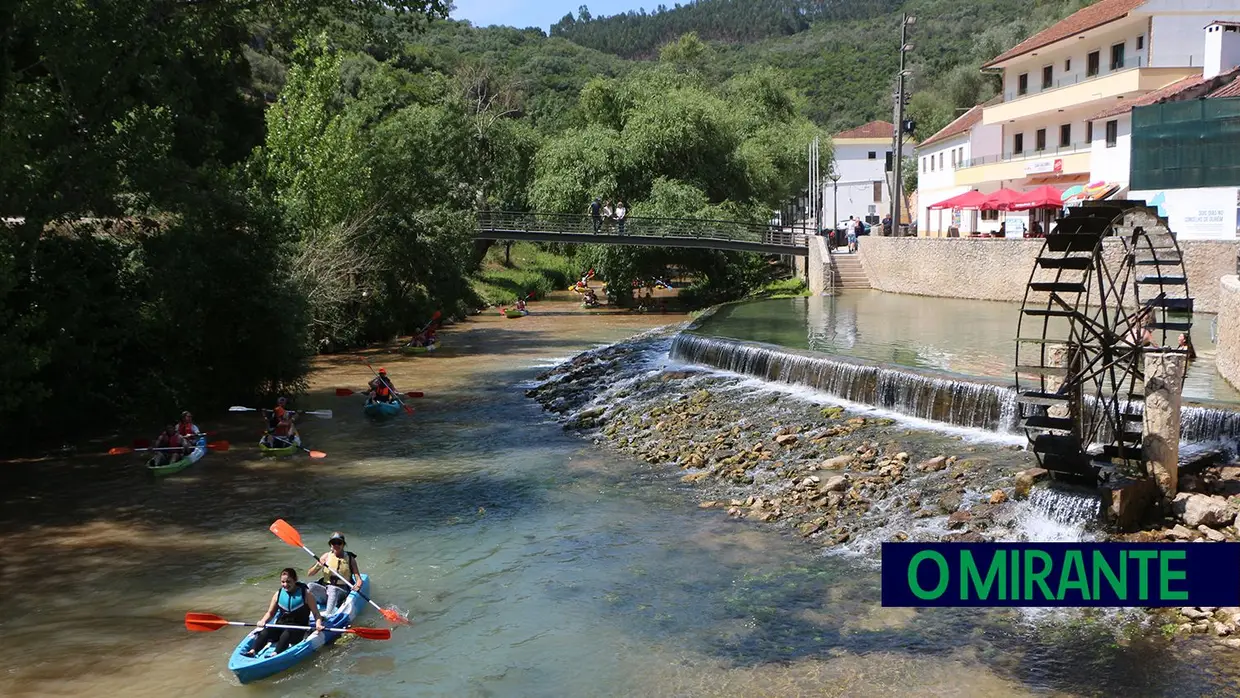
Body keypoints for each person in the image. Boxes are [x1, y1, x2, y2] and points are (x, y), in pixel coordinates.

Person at [240, 568, 325, 658]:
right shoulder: (278, 594)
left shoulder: (306, 594)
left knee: (287, 633)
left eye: (288, 582)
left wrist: (318, 625)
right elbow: (270, 613)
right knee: (265, 631)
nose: (285, 585)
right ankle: (253, 651)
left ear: (295, 580)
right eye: (283, 582)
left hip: (298, 627)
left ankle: (275, 654)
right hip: (281, 625)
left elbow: (316, 613)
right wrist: (263, 621)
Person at [307, 532, 363, 615]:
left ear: (343, 545)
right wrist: (318, 565)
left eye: (339, 543)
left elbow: (358, 579)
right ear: (330, 545)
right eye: (334, 543)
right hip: (325, 591)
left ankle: (328, 615)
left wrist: (358, 586)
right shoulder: (325, 556)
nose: (336, 545)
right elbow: (309, 574)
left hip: (341, 592)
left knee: (333, 589)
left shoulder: (350, 559)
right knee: (310, 586)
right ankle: (306, 611)